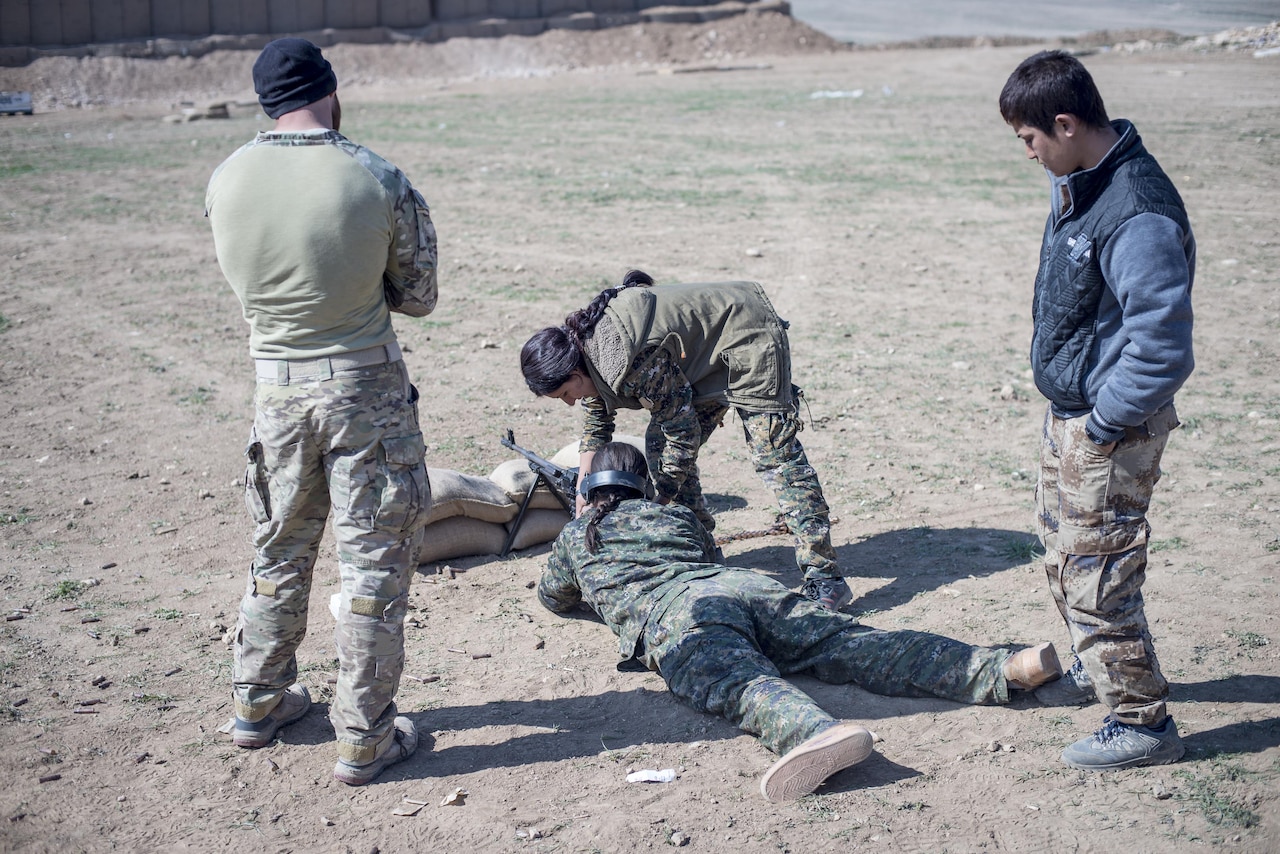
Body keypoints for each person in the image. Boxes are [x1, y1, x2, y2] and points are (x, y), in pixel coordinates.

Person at [538, 442, 1064, 803]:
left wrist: (580, 533)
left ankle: (817, 733)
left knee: (741, 683)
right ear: (642, 483)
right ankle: (1002, 667)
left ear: (588, 488)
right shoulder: (676, 517)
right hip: (746, 588)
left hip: (684, 615)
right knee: (855, 642)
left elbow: (553, 597)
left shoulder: (577, 537)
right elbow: (705, 555)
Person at [205, 38, 439, 786]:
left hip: (275, 393)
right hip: (364, 394)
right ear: (330, 92)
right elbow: (421, 293)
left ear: (263, 103)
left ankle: (258, 702)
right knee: (372, 567)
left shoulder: (226, 177)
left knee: (277, 550)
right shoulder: (372, 174)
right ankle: (365, 738)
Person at [998, 50, 1195, 771]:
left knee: (1098, 572)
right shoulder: (1084, 183)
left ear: (1065, 122)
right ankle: (1100, 668)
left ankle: (1142, 723)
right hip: (1076, 413)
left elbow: (1164, 345)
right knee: (1062, 552)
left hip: (1109, 427)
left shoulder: (1135, 209)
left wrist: (1106, 421)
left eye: (1029, 140)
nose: (1028, 154)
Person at [520, 270, 853, 611]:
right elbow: (595, 426)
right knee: (658, 448)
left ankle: (825, 576)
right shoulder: (585, 352)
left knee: (775, 456)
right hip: (697, 356)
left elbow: (682, 432)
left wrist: (661, 497)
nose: (569, 402)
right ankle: (702, 550)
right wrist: (583, 494)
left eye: (564, 394)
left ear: (575, 373)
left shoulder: (630, 360)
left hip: (745, 333)